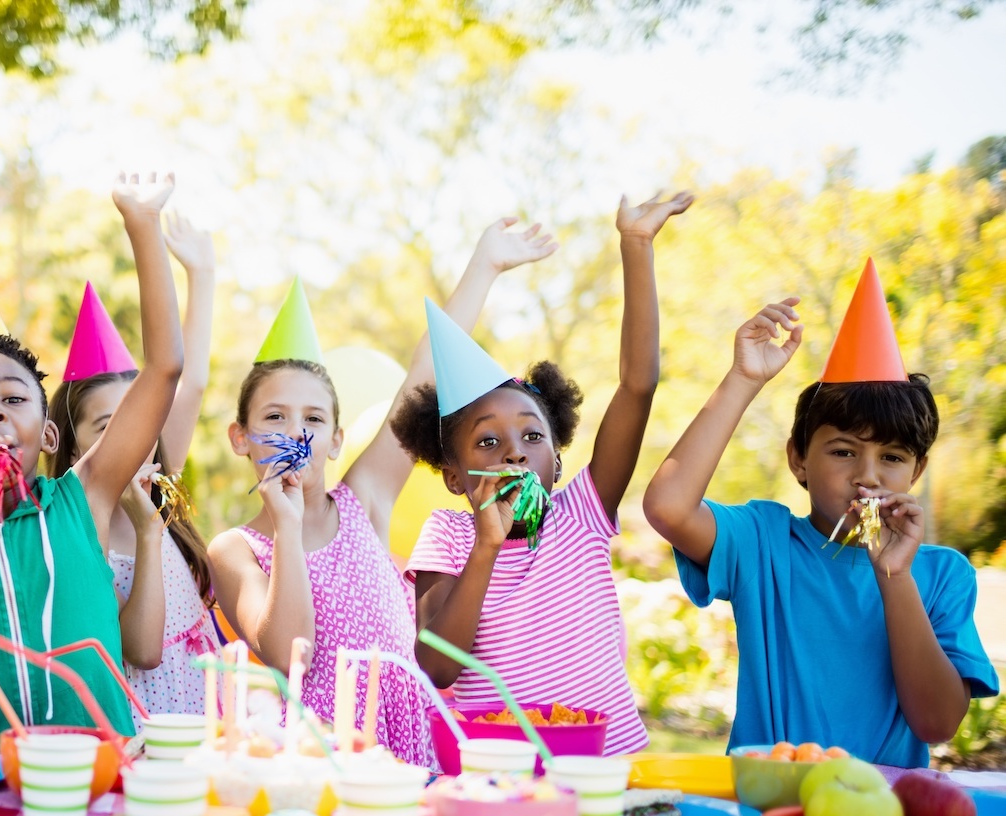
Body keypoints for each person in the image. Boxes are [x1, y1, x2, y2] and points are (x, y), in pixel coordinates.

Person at [209, 218, 558, 767]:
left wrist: (485, 265)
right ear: (241, 438)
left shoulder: (364, 497)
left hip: (408, 741)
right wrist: (289, 527)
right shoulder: (234, 550)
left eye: (313, 418)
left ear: (335, 439)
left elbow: (425, 373)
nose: (296, 432)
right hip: (318, 755)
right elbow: (289, 653)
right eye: (274, 417)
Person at [642, 260, 996, 766]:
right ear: (798, 460)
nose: (868, 476)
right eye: (843, 451)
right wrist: (743, 378)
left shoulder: (942, 575)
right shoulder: (763, 542)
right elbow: (668, 507)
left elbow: (936, 724)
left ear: (915, 473)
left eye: (892, 458)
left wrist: (894, 576)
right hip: (766, 809)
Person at [0, 173, 184, 751]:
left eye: (14, 400)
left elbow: (164, 368)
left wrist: (142, 226)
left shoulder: (83, 498)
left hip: (109, 766)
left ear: (48, 435)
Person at [396, 192, 693, 757]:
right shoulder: (451, 535)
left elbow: (637, 386)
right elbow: (436, 665)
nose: (515, 454)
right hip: (503, 775)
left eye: (533, 437)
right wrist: (486, 546)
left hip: (609, 766)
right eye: (488, 441)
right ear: (455, 476)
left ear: (557, 460)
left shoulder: (584, 511)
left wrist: (636, 247)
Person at [45, 213, 219, 716]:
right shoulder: (78, 531)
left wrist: (201, 275)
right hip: (149, 727)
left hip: (203, 715)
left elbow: (192, 382)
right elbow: (141, 651)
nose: (134, 441)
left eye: (139, 423)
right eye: (108, 427)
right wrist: (147, 532)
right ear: (75, 452)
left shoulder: (161, 480)